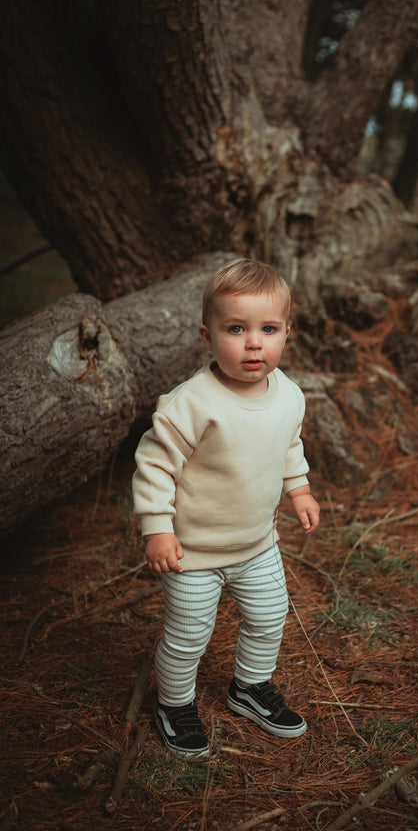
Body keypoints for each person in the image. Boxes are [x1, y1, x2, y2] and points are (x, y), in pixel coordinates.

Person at [132, 258, 320, 759]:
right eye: (236, 329)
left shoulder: (289, 395)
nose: (253, 343)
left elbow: (288, 445)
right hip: (192, 551)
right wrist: (156, 528)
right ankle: (173, 704)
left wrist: (299, 490)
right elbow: (155, 465)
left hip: (257, 545)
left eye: (268, 329)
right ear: (208, 335)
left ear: (287, 333)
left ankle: (249, 686)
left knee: (268, 614)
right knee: (190, 633)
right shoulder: (192, 403)